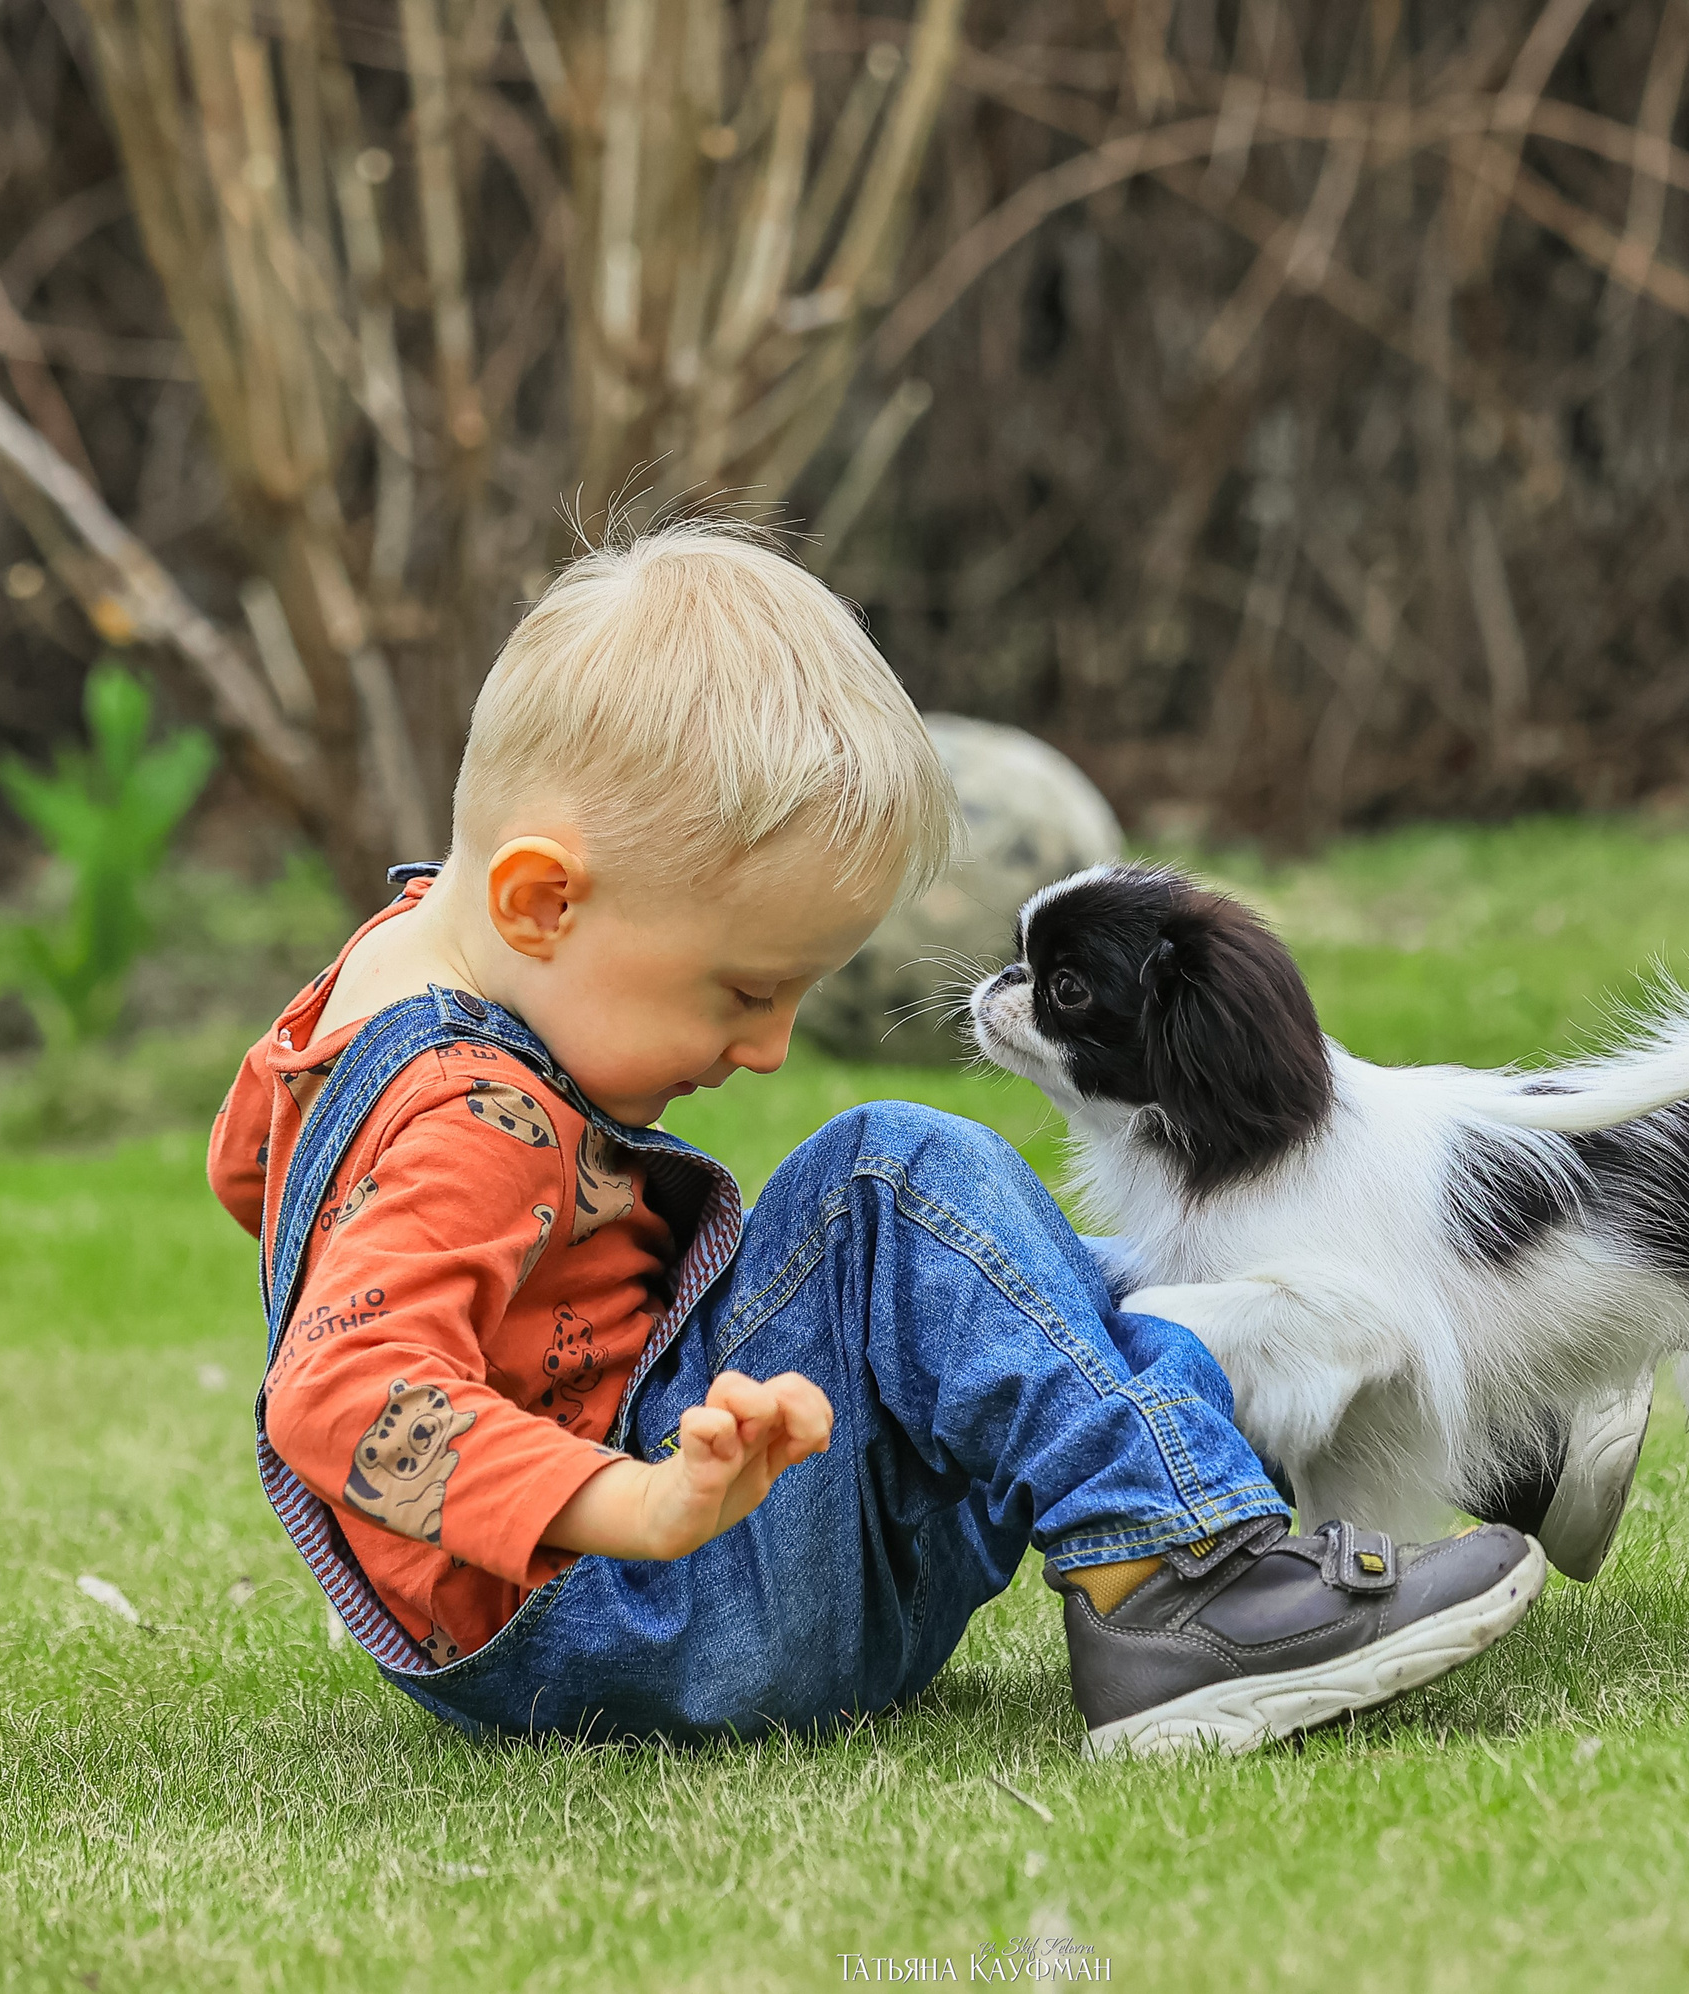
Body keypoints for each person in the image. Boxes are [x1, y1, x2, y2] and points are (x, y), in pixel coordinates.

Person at [207, 521, 1552, 1756]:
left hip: (680, 1578)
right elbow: (338, 1394)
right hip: (646, 1604)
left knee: (1014, 1289)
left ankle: (1482, 1398)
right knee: (893, 1183)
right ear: (542, 902)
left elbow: (262, 1178)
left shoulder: (379, 992)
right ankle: (1175, 1589)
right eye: (743, 990)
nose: (769, 1046)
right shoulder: (458, 1115)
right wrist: (636, 1504)